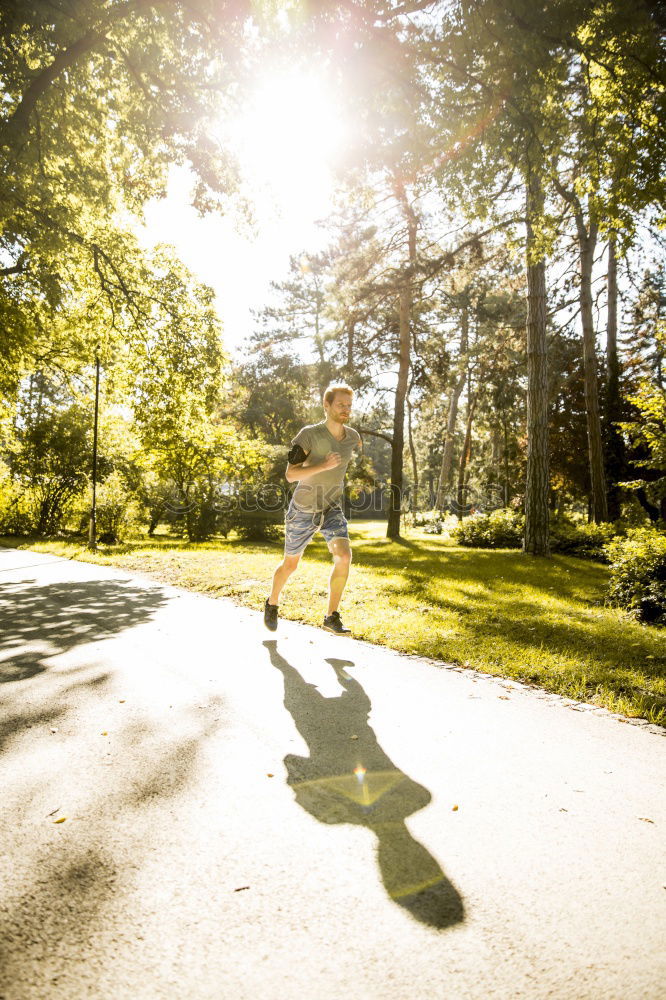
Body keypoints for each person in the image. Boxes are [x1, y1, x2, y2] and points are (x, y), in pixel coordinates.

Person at [264, 383, 361, 636]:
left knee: (344, 556)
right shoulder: (308, 435)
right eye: (340, 404)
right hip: (303, 509)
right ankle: (272, 602)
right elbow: (290, 474)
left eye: (349, 405)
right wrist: (323, 465)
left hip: (331, 506)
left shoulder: (351, 437)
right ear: (326, 405)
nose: (345, 410)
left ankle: (331, 616)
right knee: (290, 565)